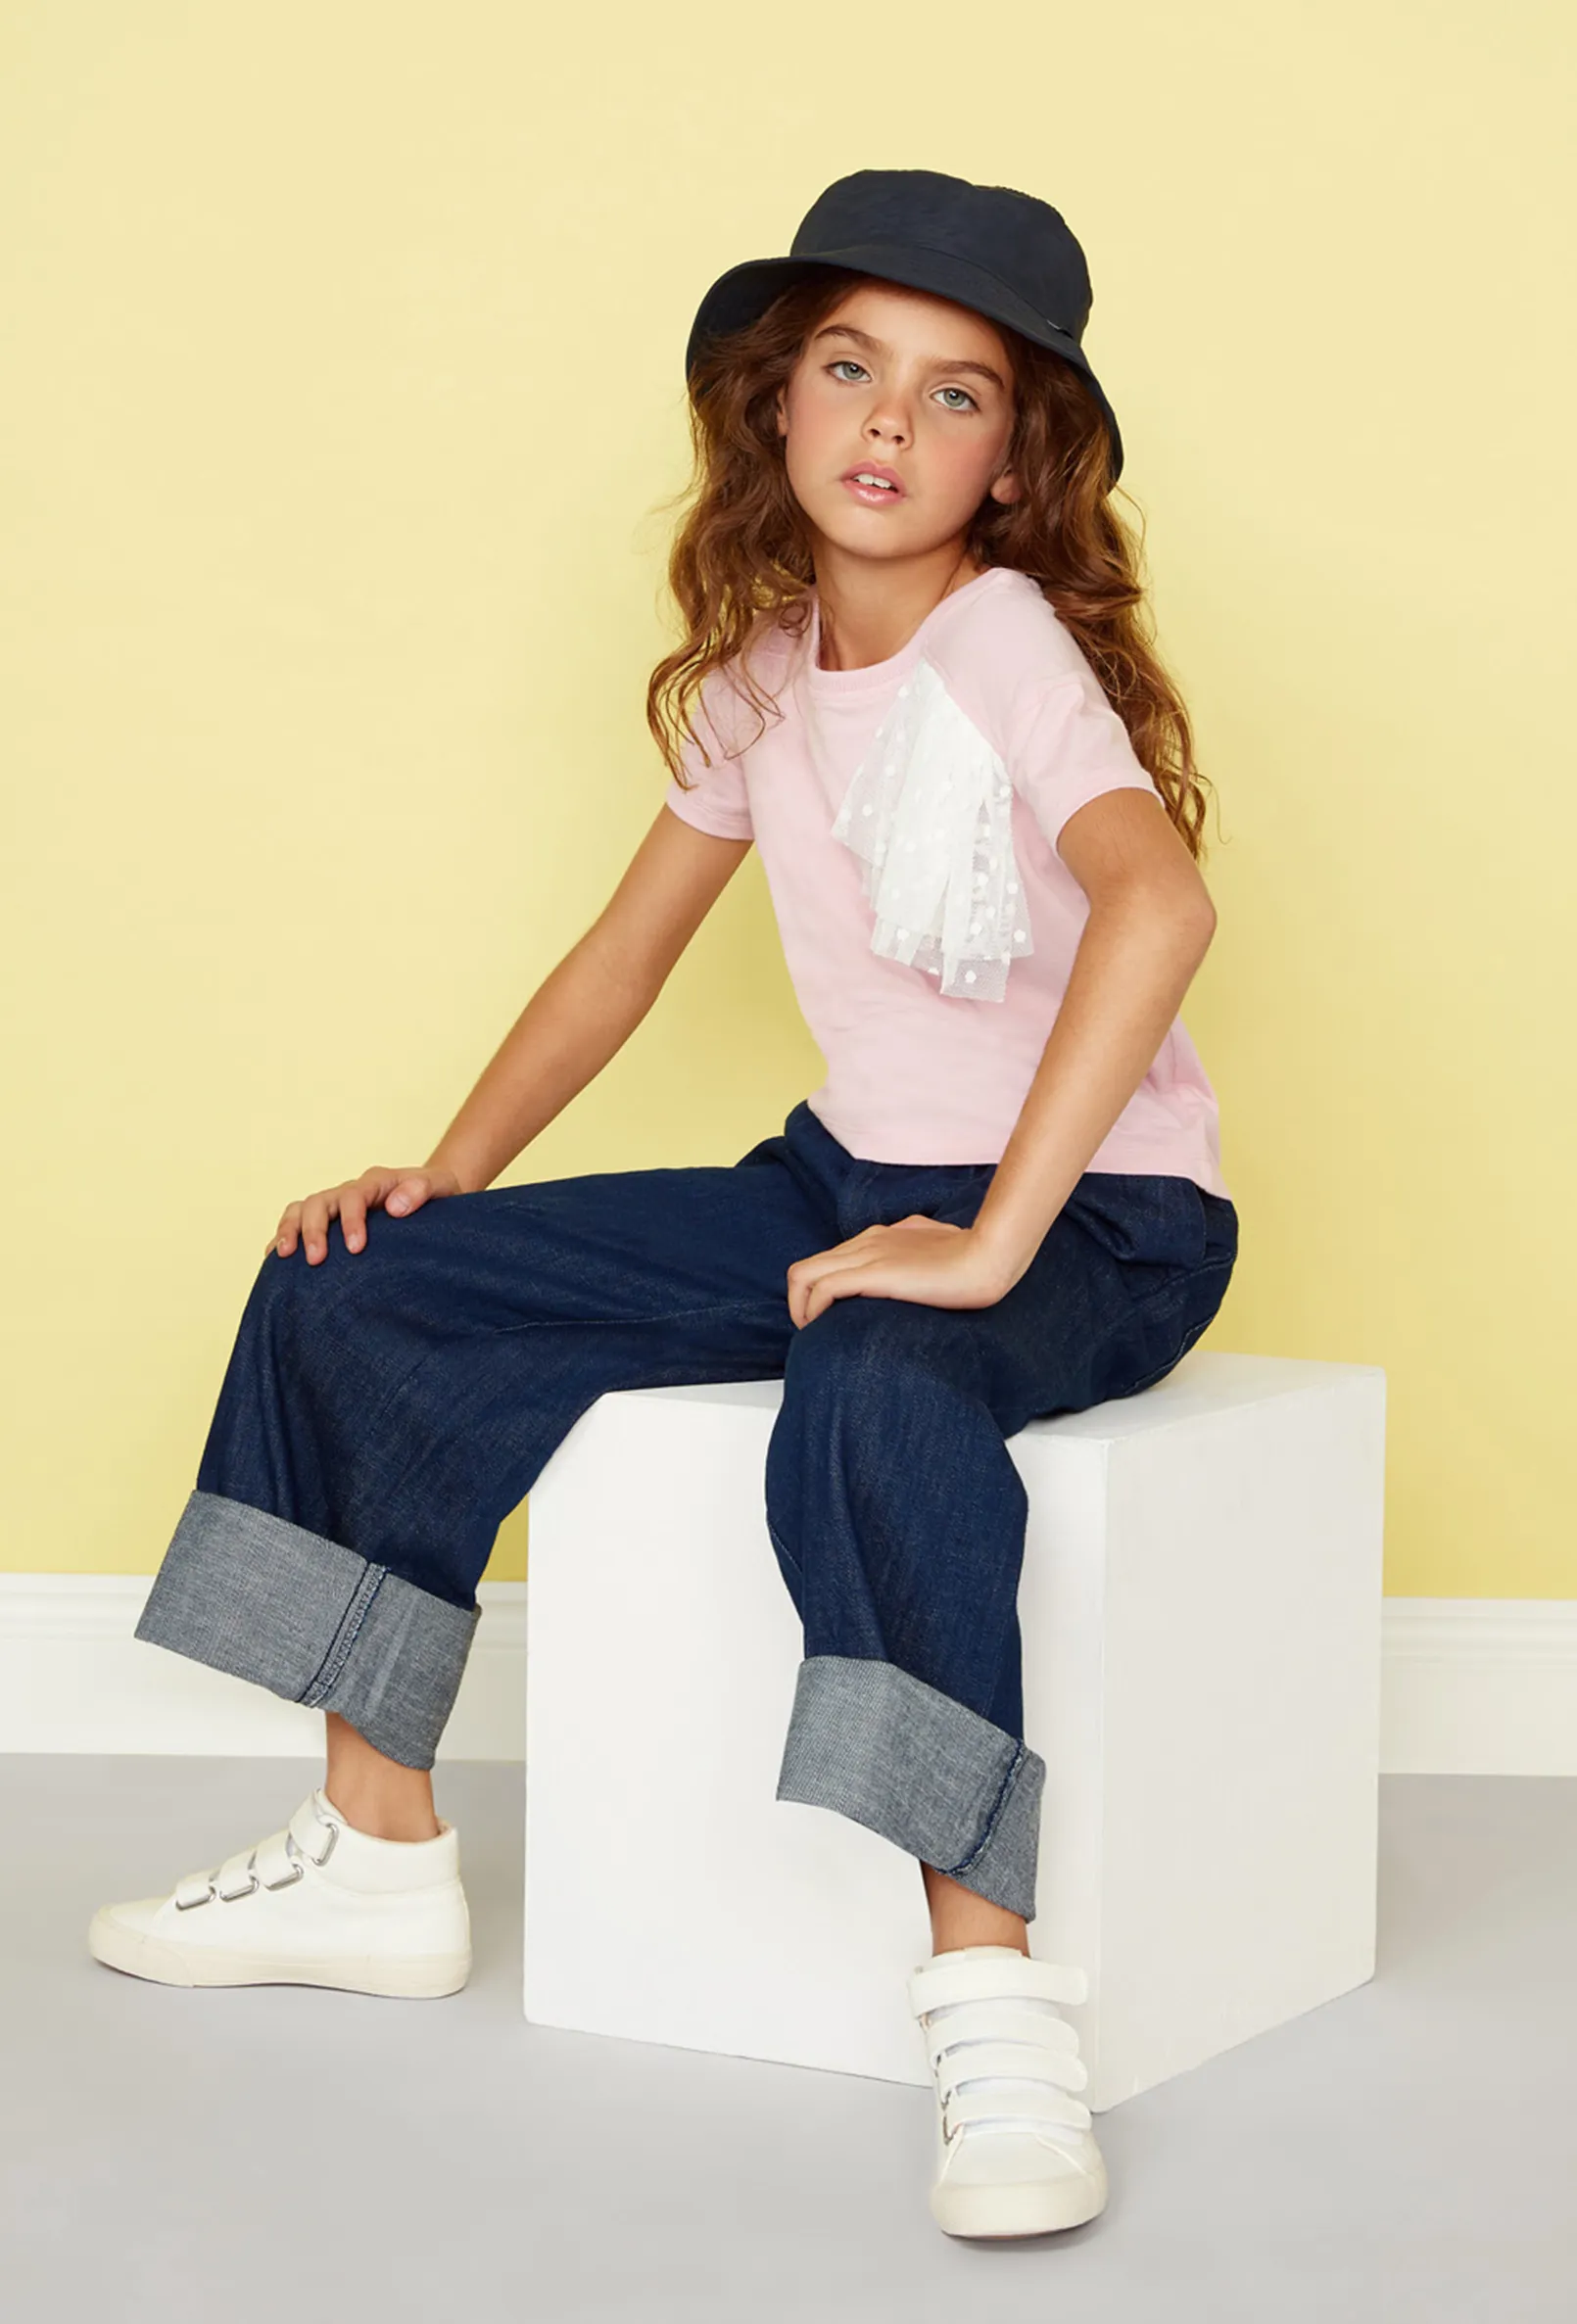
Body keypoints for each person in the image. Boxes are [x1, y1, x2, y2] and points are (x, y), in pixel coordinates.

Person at [89, 168, 1238, 2243]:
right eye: (850, 369)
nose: (888, 421)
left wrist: (990, 1240)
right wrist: (447, 1173)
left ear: (1014, 461)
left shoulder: (997, 643)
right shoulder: (760, 676)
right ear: (774, 405)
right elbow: (618, 963)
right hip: (845, 1172)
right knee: (359, 1282)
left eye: (955, 393)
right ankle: (375, 1853)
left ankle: (991, 2003)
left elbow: (1157, 903)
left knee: (879, 1378)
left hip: (1099, 1213)